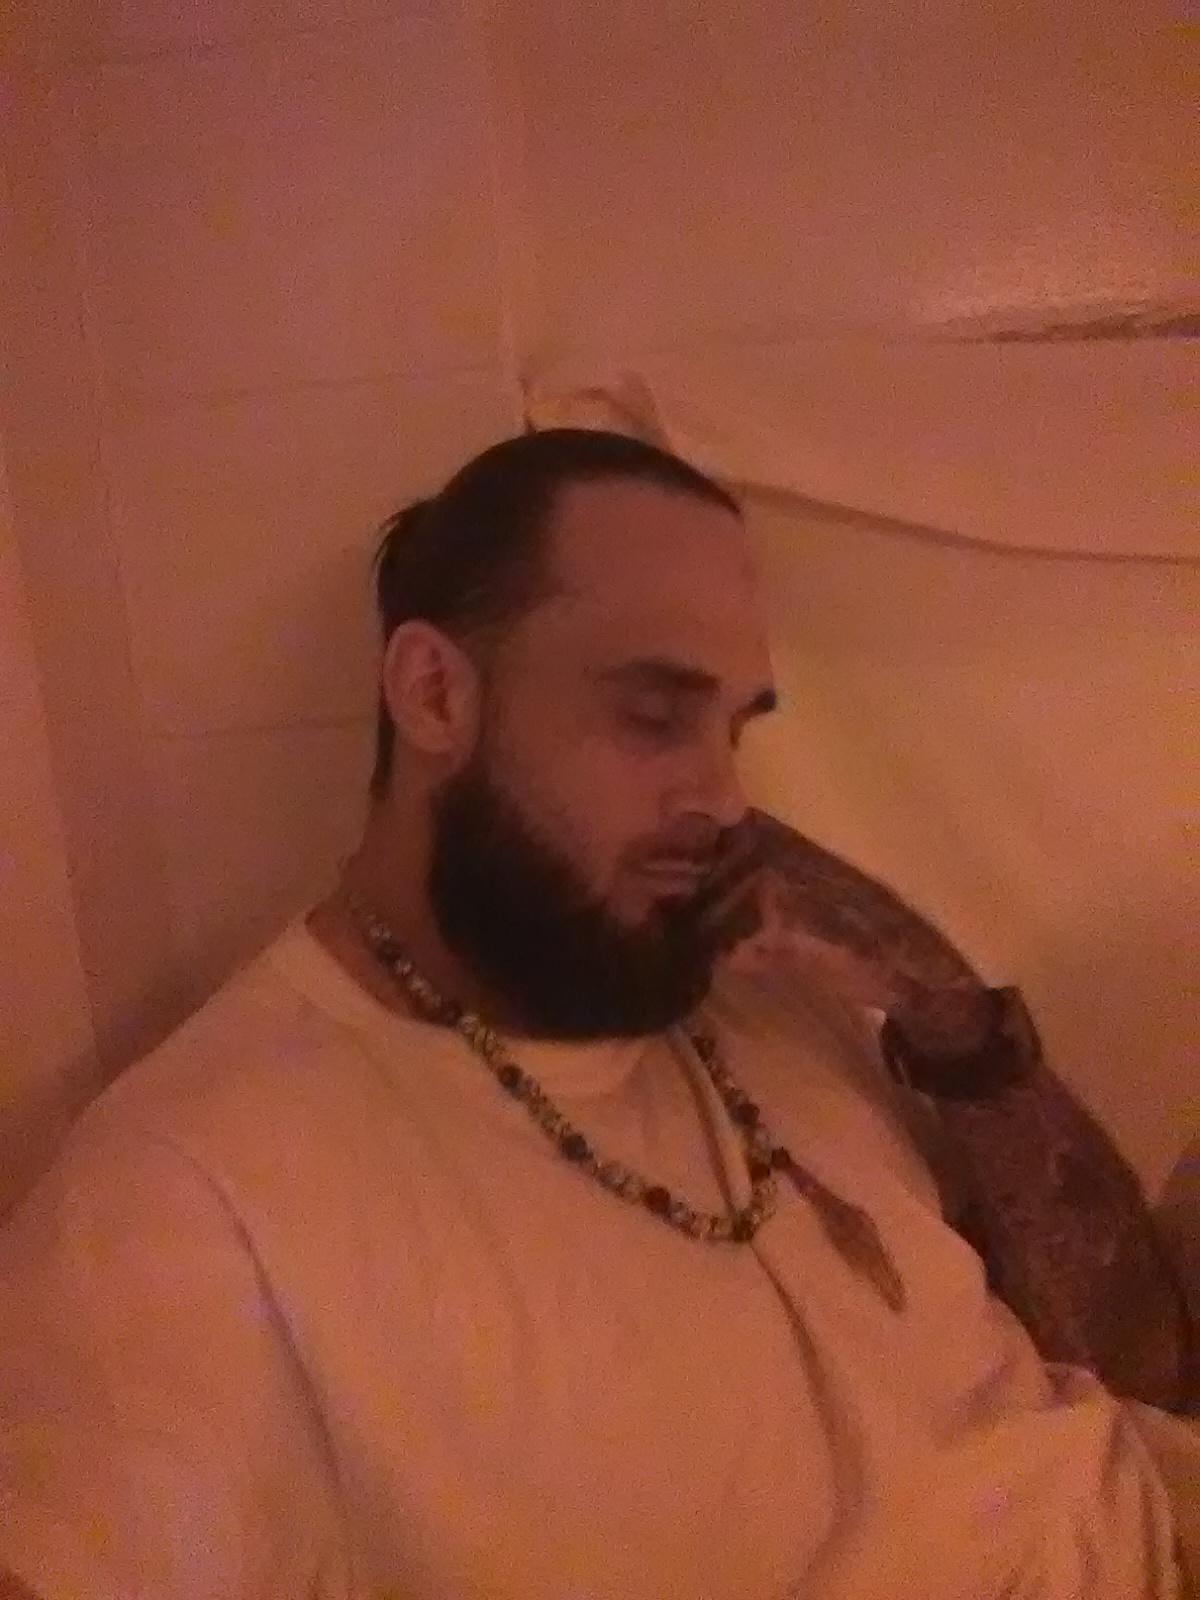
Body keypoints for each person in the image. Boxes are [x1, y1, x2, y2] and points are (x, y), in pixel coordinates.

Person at [0, 428, 1195, 1599]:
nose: (725, 801)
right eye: (654, 716)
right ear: (434, 694)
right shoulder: (190, 1200)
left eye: (734, 728)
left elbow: (1143, 1364)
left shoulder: (760, 985)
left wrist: (940, 1004)